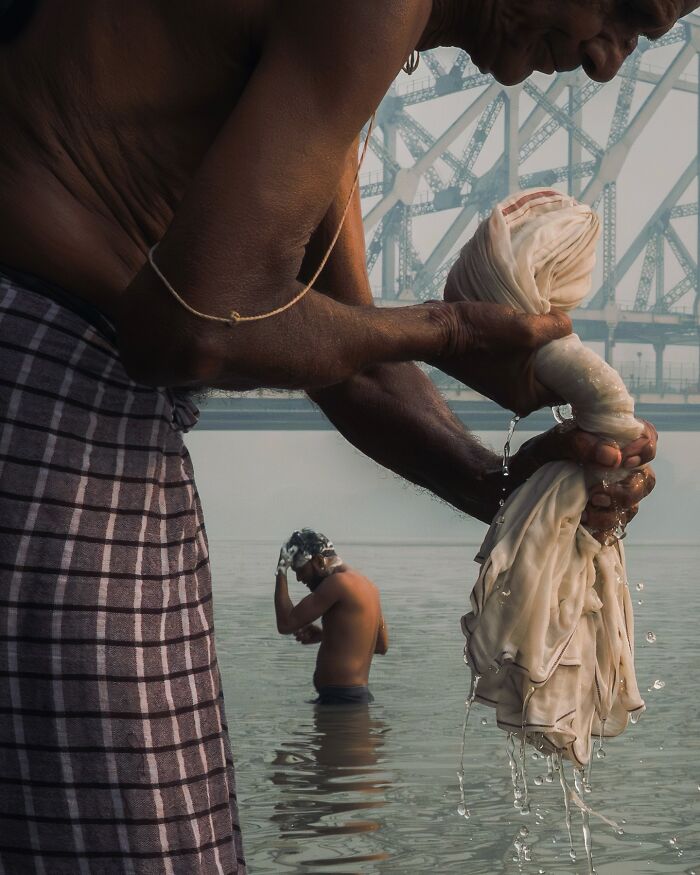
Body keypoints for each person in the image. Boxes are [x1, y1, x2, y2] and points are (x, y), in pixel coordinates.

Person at [0, 0, 688, 871]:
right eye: (626, 12)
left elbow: (334, 347)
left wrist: (506, 488)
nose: (606, 63)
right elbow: (195, 323)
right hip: (50, 403)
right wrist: (447, 330)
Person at [274, 530, 387, 705]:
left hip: (341, 701)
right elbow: (380, 645)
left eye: (300, 570)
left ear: (319, 561)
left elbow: (286, 623)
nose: (298, 578)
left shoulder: (337, 583)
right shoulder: (368, 586)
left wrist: (281, 570)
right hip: (353, 698)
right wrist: (328, 636)